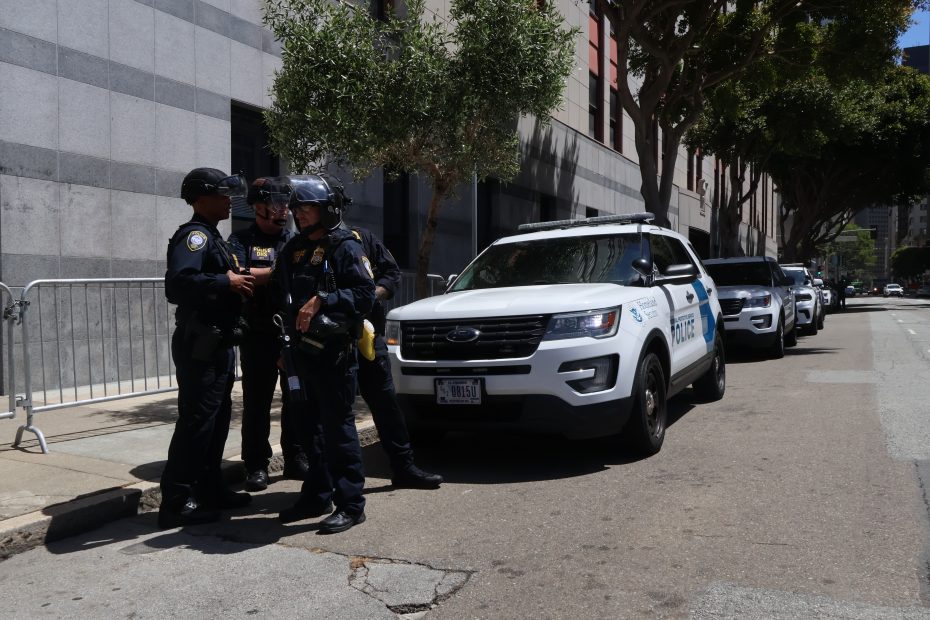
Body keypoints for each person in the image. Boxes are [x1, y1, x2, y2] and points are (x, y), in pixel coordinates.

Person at [272, 174, 375, 533]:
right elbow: (281, 301)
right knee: (307, 429)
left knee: (338, 429)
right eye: (298, 209)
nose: (300, 214)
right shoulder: (293, 249)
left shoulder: (346, 247)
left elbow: (364, 295)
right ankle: (317, 494)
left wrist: (325, 299)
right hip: (300, 355)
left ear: (326, 210)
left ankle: (351, 503)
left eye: (308, 208)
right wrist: (281, 349)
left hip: (332, 354)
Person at [159, 168, 255, 529]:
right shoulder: (195, 237)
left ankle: (210, 488)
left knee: (216, 422)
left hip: (218, 343)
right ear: (200, 199)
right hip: (200, 342)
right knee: (196, 423)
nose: (229, 200)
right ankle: (175, 501)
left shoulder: (214, 236)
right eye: (221, 194)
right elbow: (177, 285)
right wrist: (224, 280)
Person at [228, 177, 308, 491]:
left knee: (295, 399)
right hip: (257, 334)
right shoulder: (240, 239)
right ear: (257, 207)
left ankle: (295, 456)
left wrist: (265, 275)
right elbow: (240, 275)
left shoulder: (296, 240)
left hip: (291, 334)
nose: (281, 209)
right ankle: (256, 465)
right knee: (257, 403)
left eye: (285, 203)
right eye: (274, 204)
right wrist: (278, 273)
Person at [348, 225, 443, 489]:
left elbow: (391, 272)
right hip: (331, 343)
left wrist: (373, 294)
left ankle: (404, 468)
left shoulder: (361, 237)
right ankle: (334, 483)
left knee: (386, 406)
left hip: (367, 336)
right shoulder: (306, 245)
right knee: (335, 415)